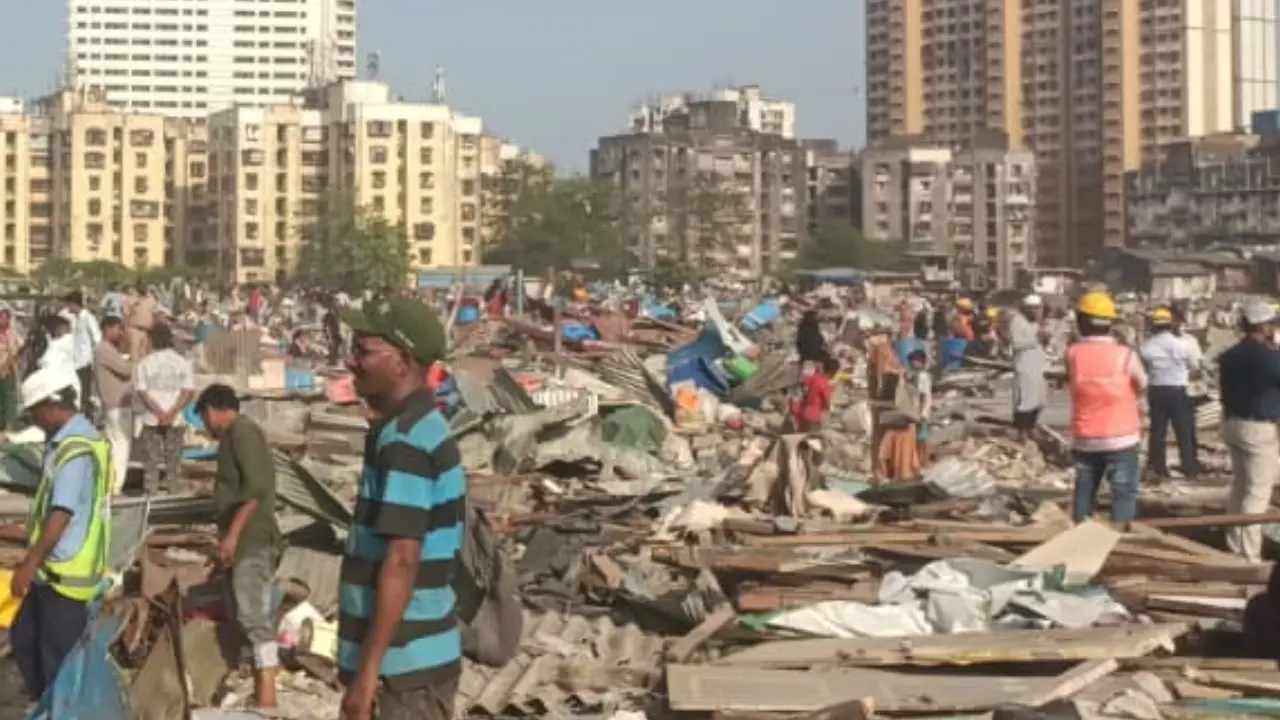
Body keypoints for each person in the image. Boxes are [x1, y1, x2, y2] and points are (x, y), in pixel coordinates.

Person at [338, 297, 465, 720]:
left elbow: (403, 559)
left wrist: (368, 672)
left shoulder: (407, 442)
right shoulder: (408, 429)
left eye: (364, 351)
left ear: (402, 361)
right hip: (410, 665)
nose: (352, 361)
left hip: (403, 671)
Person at [10, 368, 112, 702]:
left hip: (65, 575)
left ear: (53, 405)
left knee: (57, 663)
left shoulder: (75, 450)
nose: (36, 421)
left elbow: (61, 515)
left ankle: (59, 709)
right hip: (51, 570)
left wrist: (29, 563)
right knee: (25, 638)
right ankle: (45, 705)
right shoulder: (69, 441)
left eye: (36, 412)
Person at [195, 384, 280, 710]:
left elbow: (255, 491)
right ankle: (258, 691)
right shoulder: (233, 438)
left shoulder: (242, 433)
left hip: (252, 540)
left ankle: (268, 697)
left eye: (203, 417)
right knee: (238, 614)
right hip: (240, 539)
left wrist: (232, 536)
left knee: (252, 616)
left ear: (212, 409)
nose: (204, 425)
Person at [1066, 291, 1147, 526]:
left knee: (1084, 491)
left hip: (1085, 437)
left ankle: (1079, 536)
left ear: (1081, 321)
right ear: (1110, 323)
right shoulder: (1125, 355)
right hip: (1122, 437)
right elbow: (1142, 384)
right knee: (1122, 492)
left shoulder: (1072, 354)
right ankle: (1119, 541)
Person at [1217, 302, 1280, 561]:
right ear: (1265, 326)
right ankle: (1249, 554)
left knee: (1240, 488)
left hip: (1233, 424)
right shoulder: (1268, 358)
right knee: (1257, 492)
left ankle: (1234, 546)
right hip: (1258, 427)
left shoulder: (1230, 355)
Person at [1139, 307, 1200, 482]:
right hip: (1178, 390)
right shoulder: (1182, 344)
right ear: (1170, 325)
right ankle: (1189, 467)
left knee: (1158, 431)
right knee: (1183, 430)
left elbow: (1143, 368)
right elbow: (1194, 366)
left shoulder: (1146, 346)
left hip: (1156, 390)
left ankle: (1158, 468)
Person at [135, 325, 195, 494]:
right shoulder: (182, 362)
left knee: (151, 458)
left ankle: (151, 490)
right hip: (176, 419)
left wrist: (159, 413)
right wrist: (172, 412)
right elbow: (188, 391)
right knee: (173, 458)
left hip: (151, 417)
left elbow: (142, 392)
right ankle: (173, 487)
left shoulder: (144, 363)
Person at [867, 322, 920, 482]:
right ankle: (899, 471)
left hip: (889, 406)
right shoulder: (882, 354)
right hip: (890, 407)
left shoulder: (880, 354)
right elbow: (884, 378)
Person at [94, 316, 133, 495]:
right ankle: (115, 487)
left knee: (115, 446)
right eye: (118, 329)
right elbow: (126, 370)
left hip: (115, 405)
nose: (121, 333)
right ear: (108, 329)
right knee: (121, 448)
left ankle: (112, 484)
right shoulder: (104, 350)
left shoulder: (109, 350)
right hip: (116, 405)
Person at [1009, 295, 1049, 445]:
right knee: (1025, 402)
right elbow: (1017, 343)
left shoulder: (1037, 324)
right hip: (1025, 368)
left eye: (1038, 308)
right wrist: (1037, 339)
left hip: (1038, 367)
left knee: (1039, 401)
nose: (1037, 312)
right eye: (1034, 309)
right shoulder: (1017, 321)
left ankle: (1032, 429)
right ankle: (1022, 433)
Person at [64, 291, 101, 415]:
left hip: (85, 361)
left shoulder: (87, 317)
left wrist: (95, 360)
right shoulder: (77, 318)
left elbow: (97, 338)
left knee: (85, 393)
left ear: (75, 304)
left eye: (69, 304)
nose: (68, 308)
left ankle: (87, 417)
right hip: (76, 360)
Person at [790, 355, 837, 433]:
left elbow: (800, 390)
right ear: (833, 372)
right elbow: (827, 403)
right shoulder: (825, 385)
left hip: (802, 413)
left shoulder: (813, 378)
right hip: (813, 417)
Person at [907, 348, 933, 466]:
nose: (913, 363)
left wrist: (921, 412)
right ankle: (920, 460)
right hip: (916, 409)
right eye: (912, 360)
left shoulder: (922, 376)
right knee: (919, 436)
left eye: (916, 361)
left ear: (921, 362)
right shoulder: (915, 375)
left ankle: (925, 460)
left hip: (921, 410)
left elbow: (923, 395)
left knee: (923, 436)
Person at [0, 307, 22, 429]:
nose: (2, 320)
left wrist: (8, 363)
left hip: (9, 369)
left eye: (5, 317)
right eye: (0, 317)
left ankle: (9, 424)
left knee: (9, 397)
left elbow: (20, 348)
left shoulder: (13, 334)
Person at [125, 285, 158, 360]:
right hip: (135, 330)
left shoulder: (151, 299)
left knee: (145, 357)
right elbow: (126, 315)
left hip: (147, 332)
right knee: (134, 357)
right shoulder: (131, 299)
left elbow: (155, 314)